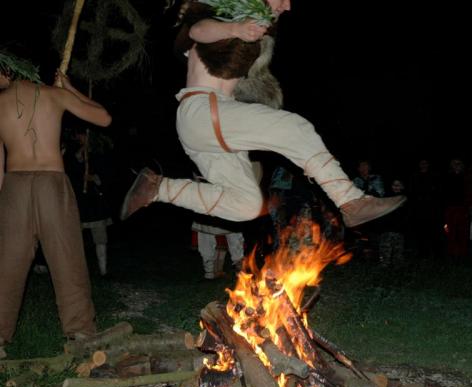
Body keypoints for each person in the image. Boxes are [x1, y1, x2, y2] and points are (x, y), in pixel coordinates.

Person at [120, 1, 404, 229]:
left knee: (245, 205)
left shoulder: (254, 31)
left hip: (210, 127)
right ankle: (351, 200)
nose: (288, 5)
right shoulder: (220, 16)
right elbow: (198, 31)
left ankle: (158, 188)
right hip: (204, 110)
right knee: (295, 128)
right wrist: (235, 28)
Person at [0, 59, 111, 358]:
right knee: (67, 257)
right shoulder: (53, 94)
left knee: (7, 263)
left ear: (8, 70)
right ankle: (81, 332)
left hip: (15, 186)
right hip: (51, 183)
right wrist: (70, 88)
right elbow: (103, 118)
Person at [63, 128, 114, 276]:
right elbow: (69, 174)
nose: (78, 137)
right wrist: (79, 158)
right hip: (80, 203)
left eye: (81, 134)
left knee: (100, 239)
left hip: (96, 204)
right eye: (78, 135)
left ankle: (103, 271)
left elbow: (107, 177)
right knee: (75, 239)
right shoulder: (74, 154)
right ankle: (75, 271)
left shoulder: (100, 153)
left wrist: (94, 178)